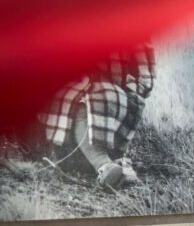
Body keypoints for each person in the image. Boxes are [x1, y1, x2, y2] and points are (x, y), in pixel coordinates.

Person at [40, 49, 154, 195]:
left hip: (111, 89)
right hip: (74, 86)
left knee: (118, 99)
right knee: (79, 106)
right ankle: (103, 165)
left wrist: (129, 88)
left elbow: (144, 74)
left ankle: (115, 161)